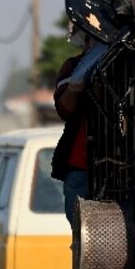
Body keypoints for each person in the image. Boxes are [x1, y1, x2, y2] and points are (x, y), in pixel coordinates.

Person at [51, 21, 94, 225]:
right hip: (81, 167)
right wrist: (77, 82)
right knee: (82, 232)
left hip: (124, 170)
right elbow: (65, 109)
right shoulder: (73, 66)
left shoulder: (128, 62)